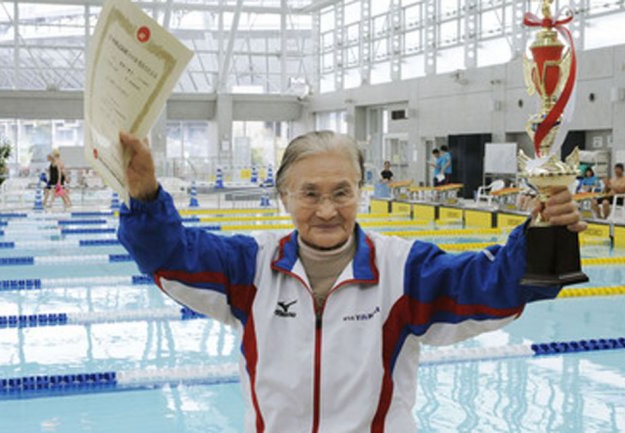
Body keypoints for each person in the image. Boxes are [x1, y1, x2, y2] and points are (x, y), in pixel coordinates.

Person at [117, 130, 585, 433]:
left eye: (342, 192)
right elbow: (170, 255)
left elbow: (495, 283)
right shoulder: (249, 267)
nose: (327, 210)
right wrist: (144, 194)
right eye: (310, 194)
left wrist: (544, 233)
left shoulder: (404, 271)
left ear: (361, 191)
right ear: (283, 197)